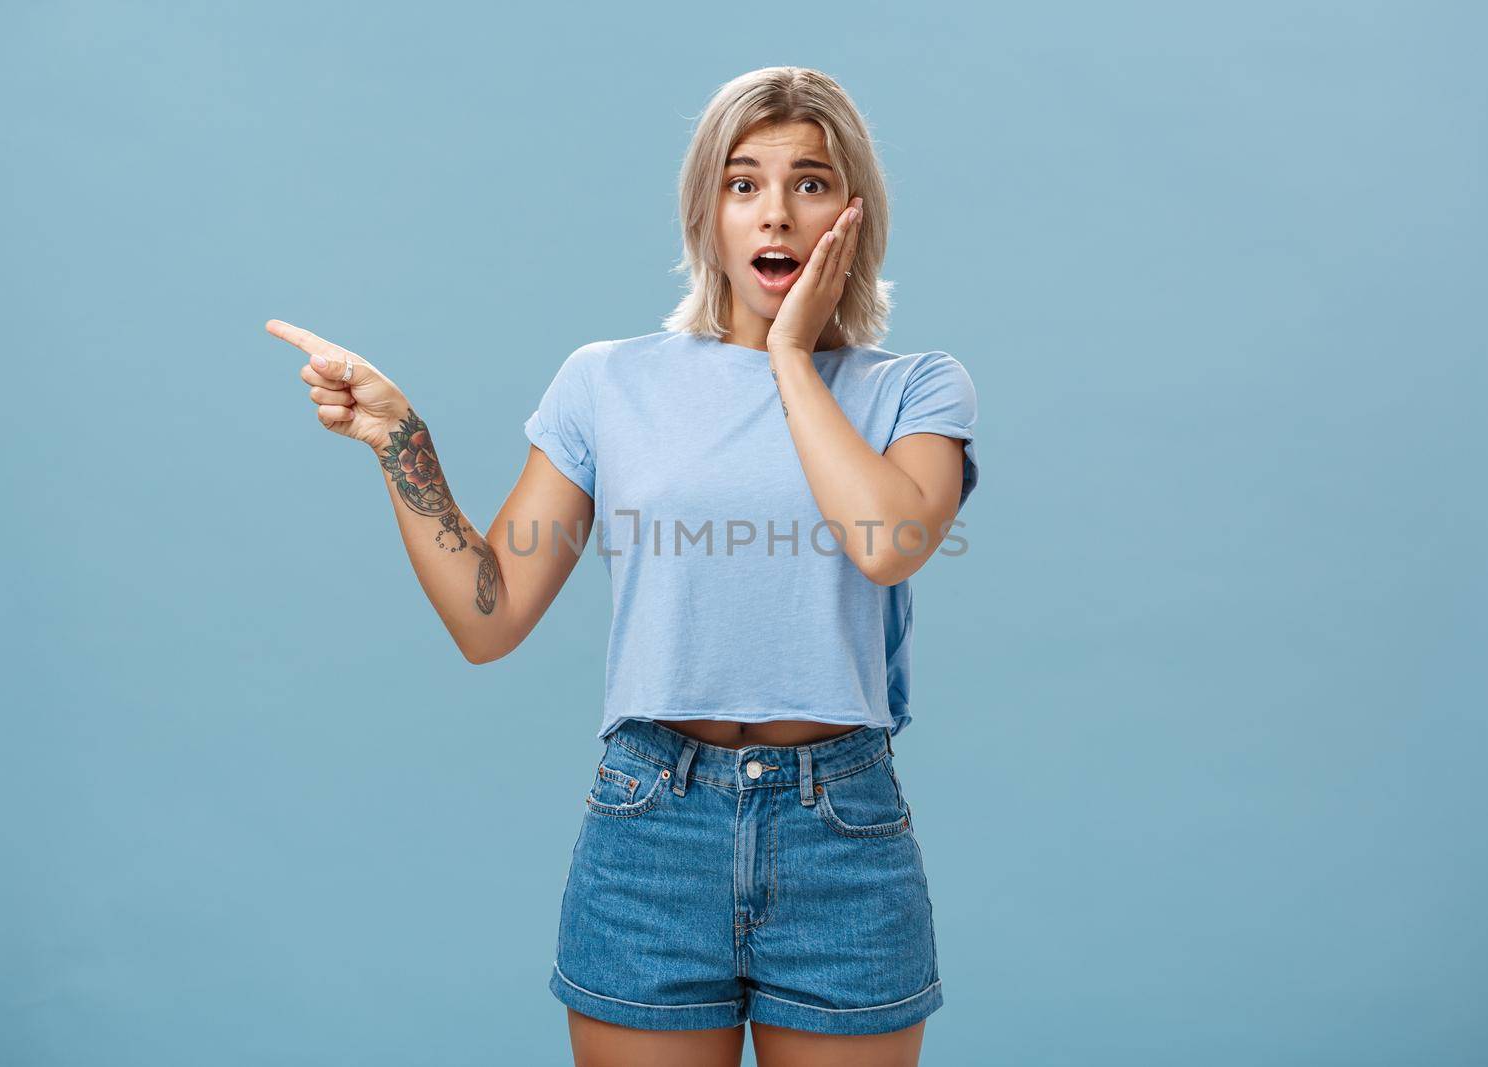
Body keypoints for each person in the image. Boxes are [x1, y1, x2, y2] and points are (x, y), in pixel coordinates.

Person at [266, 65, 977, 1067]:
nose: (775, 210)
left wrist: (787, 357)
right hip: (651, 828)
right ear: (706, 210)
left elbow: (887, 542)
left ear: (852, 212)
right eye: (743, 183)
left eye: (810, 181)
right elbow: (490, 614)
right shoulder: (608, 382)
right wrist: (401, 442)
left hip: (841, 836)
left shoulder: (914, 388)